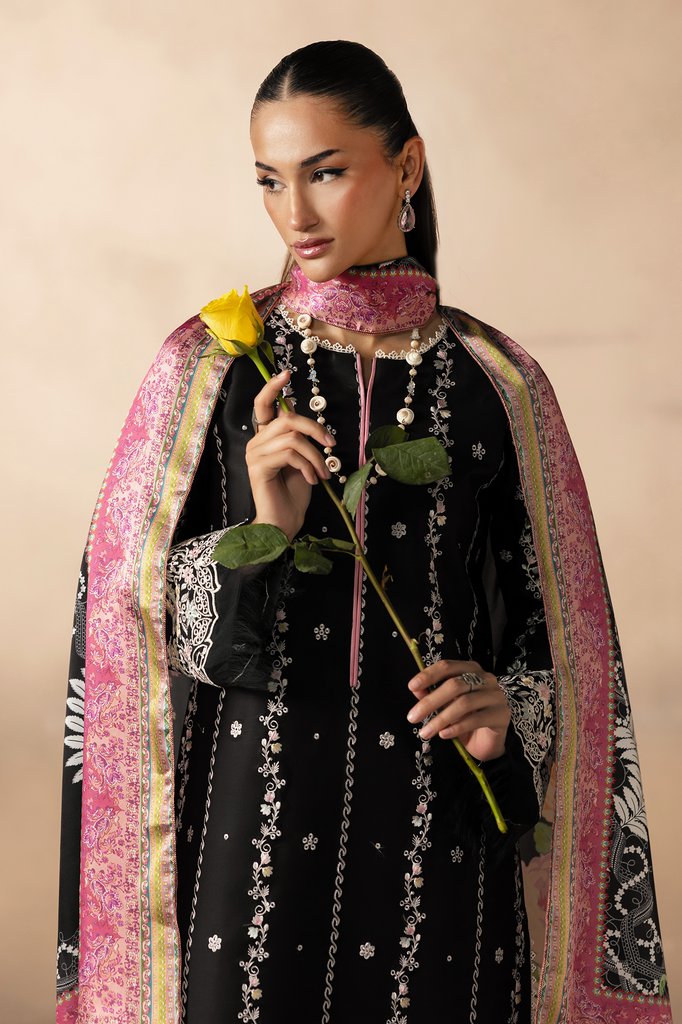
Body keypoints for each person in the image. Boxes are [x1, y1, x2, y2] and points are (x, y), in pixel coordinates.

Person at [56, 40, 670, 1024]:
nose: (294, 214)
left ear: (407, 166)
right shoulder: (209, 372)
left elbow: (561, 640)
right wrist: (266, 528)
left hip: (442, 828)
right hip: (251, 831)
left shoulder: (499, 385)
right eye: (270, 180)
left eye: (326, 172)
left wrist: (507, 711)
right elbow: (127, 637)